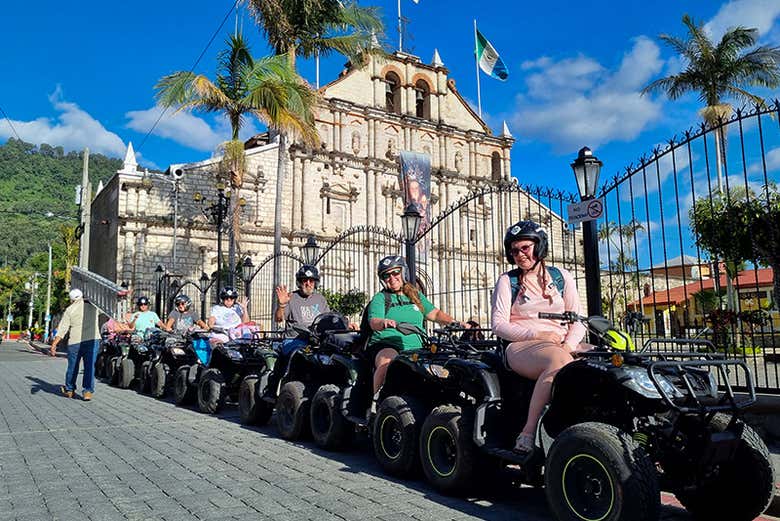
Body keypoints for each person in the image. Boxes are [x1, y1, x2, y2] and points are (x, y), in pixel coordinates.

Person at [491, 221, 586, 454]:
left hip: (562, 343)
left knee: (613, 362)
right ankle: (528, 432)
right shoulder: (508, 281)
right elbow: (499, 325)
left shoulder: (562, 277)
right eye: (514, 251)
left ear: (539, 247)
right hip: (520, 347)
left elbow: (578, 320)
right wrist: (537, 333)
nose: (520, 255)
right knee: (557, 362)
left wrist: (568, 344)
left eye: (525, 248)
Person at [367, 255, 468, 394]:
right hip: (387, 344)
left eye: (395, 272)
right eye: (386, 275)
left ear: (403, 273)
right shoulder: (380, 298)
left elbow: (435, 314)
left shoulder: (415, 296)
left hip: (418, 347)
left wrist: (455, 322)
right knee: (388, 363)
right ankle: (373, 402)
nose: (392, 278)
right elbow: (374, 322)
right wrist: (384, 323)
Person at [49, 289, 102, 401]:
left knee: (73, 366)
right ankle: (87, 391)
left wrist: (54, 344)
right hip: (92, 340)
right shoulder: (94, 306)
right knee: (89, 367)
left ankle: (70, 389)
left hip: (75, 342)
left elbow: (62, 329)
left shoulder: (69, 310)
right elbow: (107, 308)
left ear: (71, 299)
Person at [274, 264, 331, 355]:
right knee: (302, 355)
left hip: (316, 340)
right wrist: (282, 305)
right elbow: (278, 319)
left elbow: (328, 319)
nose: (308, 283)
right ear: (299, 283)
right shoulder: (291, 297)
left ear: (315, 283)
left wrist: (345, 325)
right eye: (305, 280)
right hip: (294, 340)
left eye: (311, 281)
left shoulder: (320, 299)